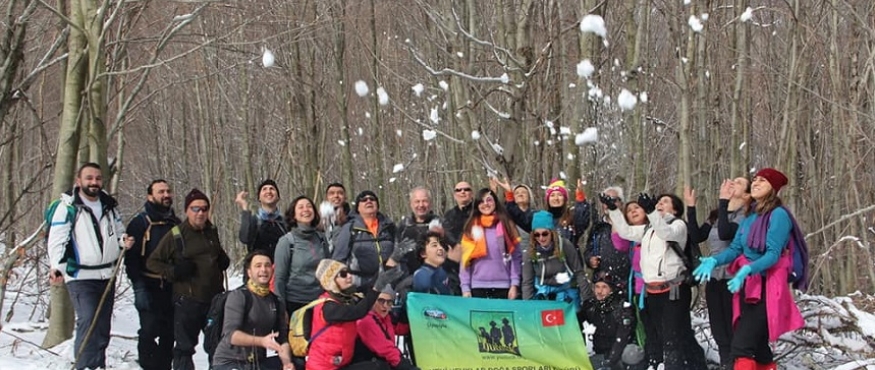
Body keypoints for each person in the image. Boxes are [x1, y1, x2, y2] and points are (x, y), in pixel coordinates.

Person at [693, 168, 806, 370]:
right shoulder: (750, 216)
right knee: (760, 348)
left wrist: (748, 269)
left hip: (766, 287)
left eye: (762, 180)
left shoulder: (778, 215)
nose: (756, 183)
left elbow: (773, 254)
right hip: (746, 287)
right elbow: (735, 249)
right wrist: (713, 261)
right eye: (755, 179)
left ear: (773, 188)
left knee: (741, 347)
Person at [601, 192, 706, 369]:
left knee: (671, 338)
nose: (660, 204)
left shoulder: (678, 225)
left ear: (675, 209)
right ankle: (696, 365)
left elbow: (665, 233)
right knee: (670, 335)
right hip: (653, 292)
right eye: (658, 202)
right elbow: (625, 231)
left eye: (665, 202)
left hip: (674, 289)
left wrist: (651, 211)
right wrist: (613, 210)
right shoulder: (648, 230)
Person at [46, 162, 135, 370]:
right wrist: (56, 267)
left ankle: (97, 365)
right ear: (79, 181)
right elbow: (57, 240)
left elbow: (118, 231)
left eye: (97, 178)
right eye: (89, 178)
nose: (94, 182)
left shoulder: (109, 205)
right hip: (80, 276)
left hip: (107, 275)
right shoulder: (68, 207)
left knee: (102, 326)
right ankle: (85, 366)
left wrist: (123, 240)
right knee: (88, 321)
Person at [147, 188, 231, 370]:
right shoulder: (177, 234)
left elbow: (215, 254)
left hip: (214, 300)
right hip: (187, 300)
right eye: (195, 209)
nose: (200, 213)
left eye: (204, 208)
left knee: (218, 346)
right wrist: (174, 271)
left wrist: (223, 259)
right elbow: (153, 262)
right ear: (187, 210)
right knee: (184, 349)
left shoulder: (211, 230)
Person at [684, 179, 751, 370]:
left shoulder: (746, 216)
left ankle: (739, 364)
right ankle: (726, 364)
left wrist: (723, 202)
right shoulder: (716, 215)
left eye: (739, 182)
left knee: (733, 326)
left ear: (747, 195)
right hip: (714, 277)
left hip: (734, 278)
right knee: (718, 327)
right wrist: (691, 208)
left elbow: (725, 233)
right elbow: (697, 236)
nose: (733, 183)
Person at [306, 259, 404, 370]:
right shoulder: (328, 307)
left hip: (340, 364)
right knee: (378, 367)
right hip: (324, 368)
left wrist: (391, 262)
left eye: (348, 272)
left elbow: (369, 286)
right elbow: (358, 312)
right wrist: (378, 287)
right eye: (343, 274)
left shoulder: (345, 298)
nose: (349, 276)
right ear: (331, 281)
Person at [125, 179, 181, 370]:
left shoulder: (176, 224)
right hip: (148, 284)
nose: (166, 195)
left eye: (168, 191)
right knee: (149, 330)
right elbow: (131, 259)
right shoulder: (139, 223)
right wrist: (138, 286)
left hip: (172, 286)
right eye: (161, 192)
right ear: (150, 196)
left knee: (169, 333)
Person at [212, 250, 295, 370]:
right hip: (230, 362)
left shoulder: (276, 301)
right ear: (249, 272)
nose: (263, 270)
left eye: (267, 265)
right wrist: (261, 341)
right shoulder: (239, 296)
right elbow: (231, 335)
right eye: (258, 266)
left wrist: (287, 362)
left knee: (298, 363)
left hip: (257, 362)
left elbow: (282, 339)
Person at [459, 188, 522, 299]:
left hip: (504, 286)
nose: (486, 204)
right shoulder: (471, 227)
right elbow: (465, 260)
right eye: (481, 201)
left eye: (489, 200)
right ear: (477, 205)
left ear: (495, 202)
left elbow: (515, 257)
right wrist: (465, 288)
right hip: (477, 286)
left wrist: (514, 284)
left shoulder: (507, 225)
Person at [521, 211, 591, 308]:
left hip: (566, 289)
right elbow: (527, 282)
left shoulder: (565, 246)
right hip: (544, 291)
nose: (541, 238)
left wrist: (588, 300)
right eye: (537, 234)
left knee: (571, 308)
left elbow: (579, 273)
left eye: (545, 234)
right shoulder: (530, 252)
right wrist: (527, 306)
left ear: (551, 232)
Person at [274, 196, 330, 314]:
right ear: (294, 215)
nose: (306, 210)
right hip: (295, 303)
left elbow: (328, 269)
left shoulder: (321, 238)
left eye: (309, 206)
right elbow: (279, 279)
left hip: (321, 301)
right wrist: (281, 309)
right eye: (301, 207)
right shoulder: (287, 242)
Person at [332, 191, 396, 290]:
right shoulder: (350, 228)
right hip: (360, 284)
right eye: (364, 200)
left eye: (372, 199)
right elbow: (338, 259)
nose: (368, 201)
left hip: (388, 283)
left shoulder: (389, 227)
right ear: (358, 208)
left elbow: (399, 252)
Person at [580, 271, 643, 370]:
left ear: (611, 289)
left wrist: (611, 360)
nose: (600, 291)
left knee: (631, 353)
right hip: (600, 353)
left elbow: (622, 337)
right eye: (597, 287)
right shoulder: (590, 306)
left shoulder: (623, 307)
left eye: (604, 287)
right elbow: (575, 322)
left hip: (620, 353)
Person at [505, 178, 591, 247]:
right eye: (552, 195)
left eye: (560, 195)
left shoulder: (571, 217)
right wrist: (509, 197)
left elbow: (582, 221)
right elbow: (520, 217)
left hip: (570, 261)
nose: (556, 198)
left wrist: (580, 199)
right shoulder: (540, 217)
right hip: (546, 261)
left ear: (565, 199)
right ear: (548, 199)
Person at [353, 286, 418, 370]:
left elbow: (400, 329)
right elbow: (384, 348)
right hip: (365, 363)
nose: (385, 306)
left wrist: (405, 312)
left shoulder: (385, 318)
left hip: (377, 361)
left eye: (389, 302)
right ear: (372, 301)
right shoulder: (365, 320)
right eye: (381, 301)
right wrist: (405, 365)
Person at [584, 187, 630, 296]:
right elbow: (588, 250)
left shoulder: (629, 225)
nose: (609, 204)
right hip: (602, 282)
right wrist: (590, 260)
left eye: (613, 200)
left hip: (626, 283)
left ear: (621, 203)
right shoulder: (598, 227)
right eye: (606, 201)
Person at [236, 179, 288, 259]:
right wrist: (245, 207)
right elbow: (244, 238)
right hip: (259, 265)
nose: (268, 191)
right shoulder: (254, 221)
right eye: (264, 189)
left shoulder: (285, 223)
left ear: (278, 197)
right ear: (259, 198)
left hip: (281, 265)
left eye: (272, 189)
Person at [393, 187, 440, 273]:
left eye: (424, 201)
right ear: (411, 204)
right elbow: (395, 256)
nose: (421, 205)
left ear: (430, 203)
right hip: (408, 276)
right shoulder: (404, 226)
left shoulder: (440, 224)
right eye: (417, 201)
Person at [412, 230, 453, 295]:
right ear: (423, 253)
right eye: (434, 245)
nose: (441, 248)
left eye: (441, 245)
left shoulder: (443, 272)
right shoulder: (421, 274)